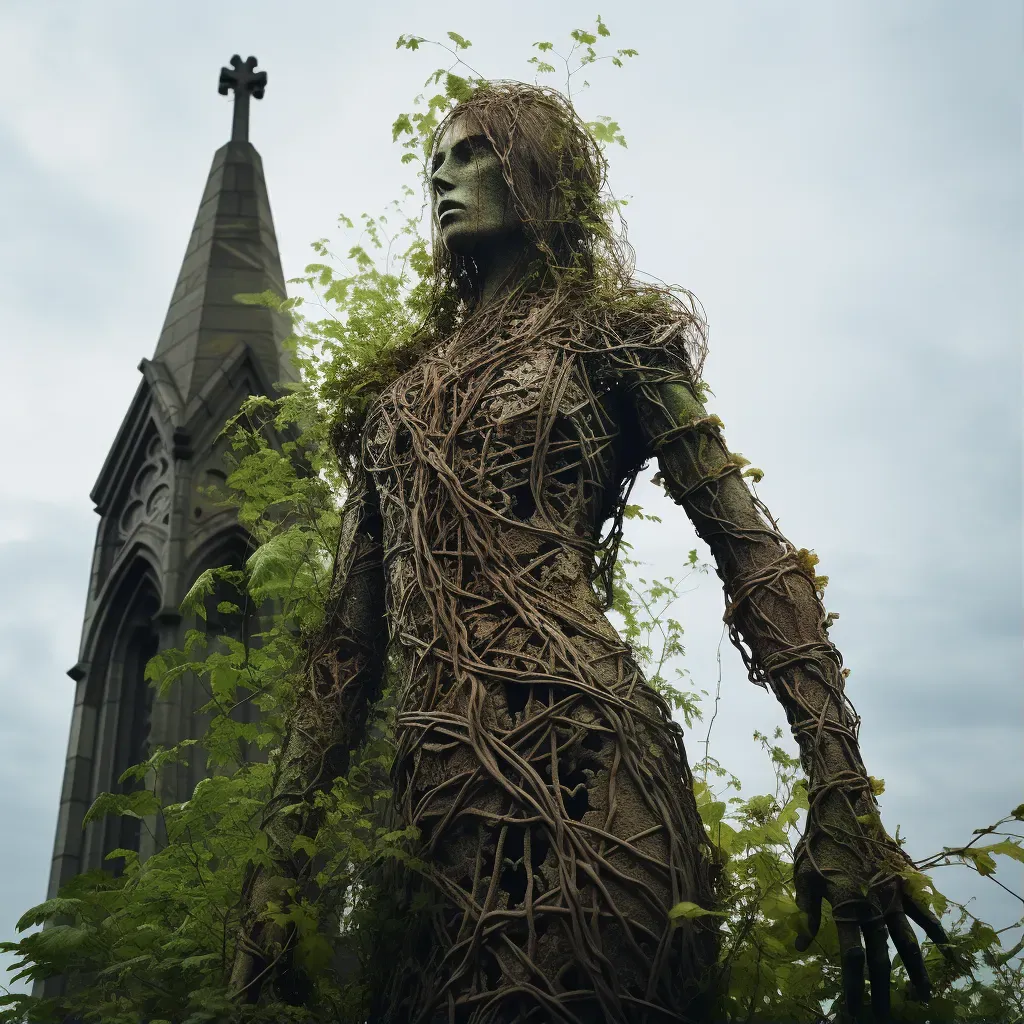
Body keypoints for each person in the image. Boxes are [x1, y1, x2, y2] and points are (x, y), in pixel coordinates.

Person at [230, 82, 947, 1023]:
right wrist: (278, 869)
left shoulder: (615, 338)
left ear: (540, 172)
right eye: (436, 162)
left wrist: (842, 793)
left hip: (590, 770)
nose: (446, 175)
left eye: (475, 152)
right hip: (432, 811)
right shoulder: (391, 405)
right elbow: (344, 651)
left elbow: (755, 556)